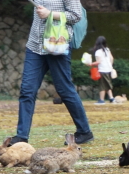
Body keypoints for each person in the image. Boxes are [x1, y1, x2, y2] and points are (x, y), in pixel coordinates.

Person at [9, 0, 94, 146]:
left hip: (57, 44)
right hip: (35, 46)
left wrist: (50, 14)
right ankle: (21, 136)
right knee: (27, 90)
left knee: (64, 89)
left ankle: (84, 132)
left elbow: (76, 15)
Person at [90, 36, 114, 104]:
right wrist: (110, 66)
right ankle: (111, 98)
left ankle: (101, 100)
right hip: (109, 69)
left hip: (103, 70)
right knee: (108, 84)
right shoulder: (107, 49)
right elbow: (111, 58)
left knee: (102, 85)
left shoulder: (98, 51)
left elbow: (98, 62)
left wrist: (90, 64)